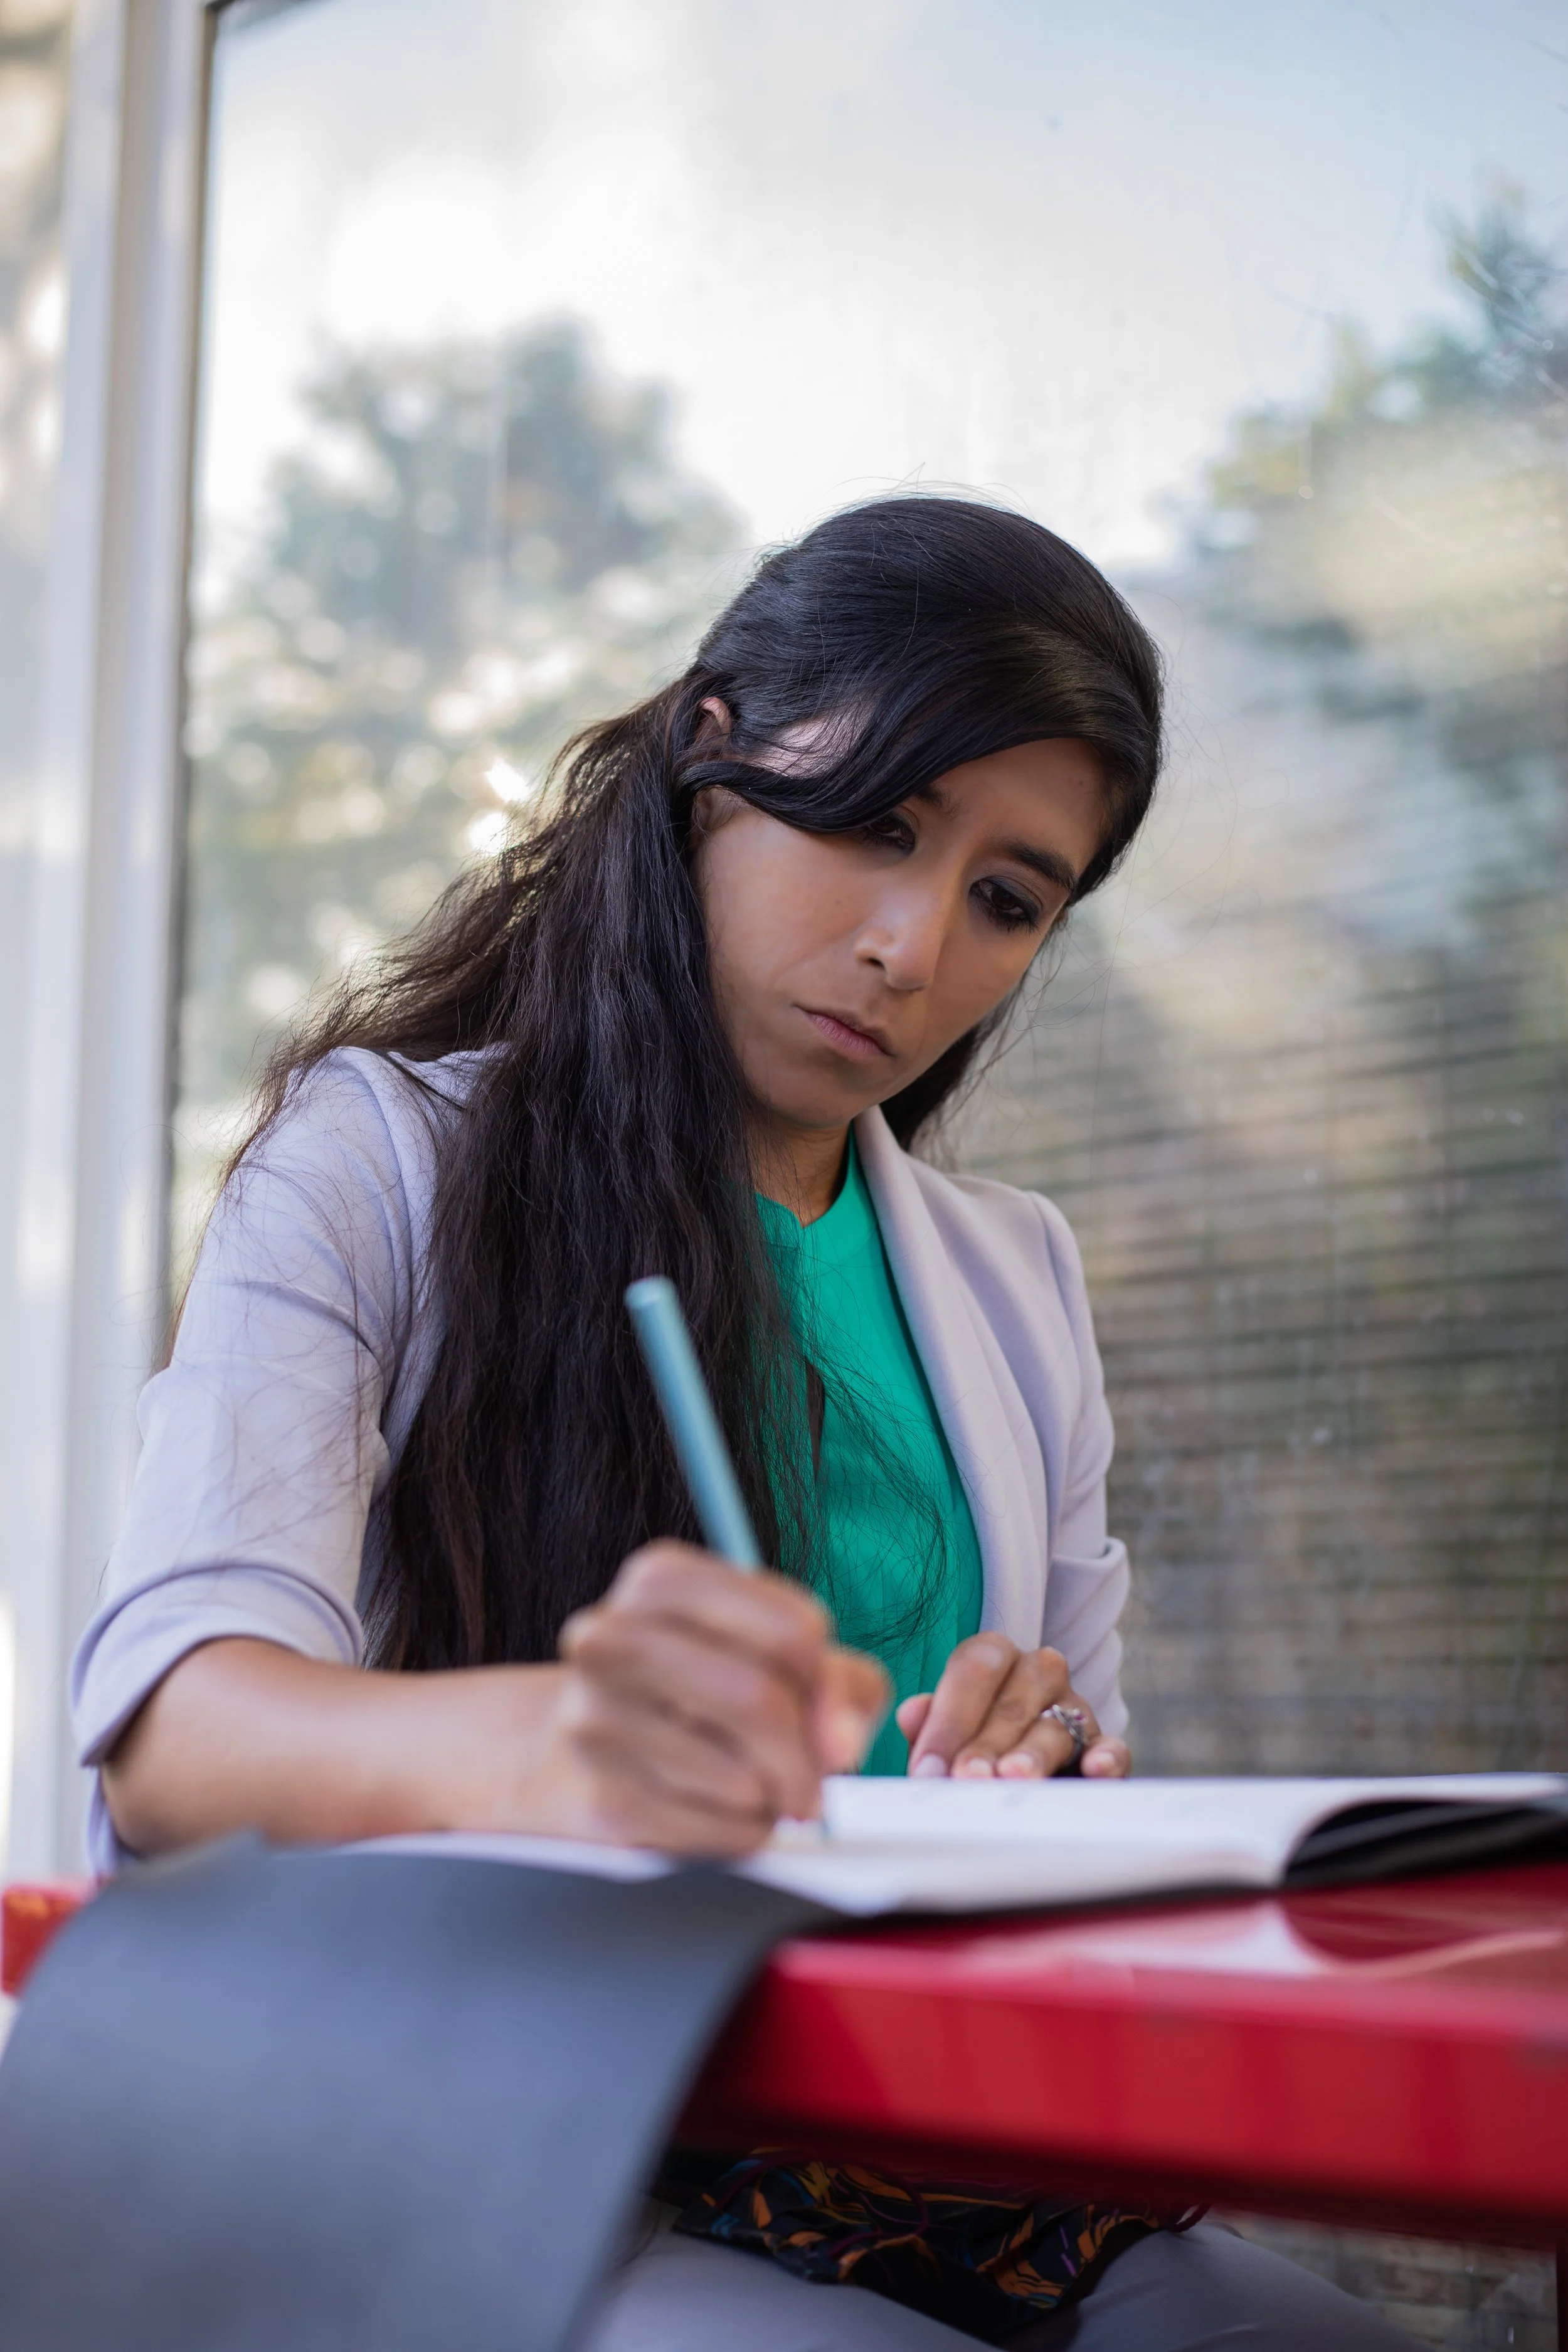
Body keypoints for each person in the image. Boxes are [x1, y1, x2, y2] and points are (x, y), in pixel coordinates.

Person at [72, 497, 1414, 2348]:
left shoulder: (1013, 1278)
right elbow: (173, 1727)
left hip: (929, 2141)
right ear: (712, 748)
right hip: (524, 2125)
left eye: (1003, 899)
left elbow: (1062, 1784)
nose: (909, 946)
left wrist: (1028, 1771)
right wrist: (560, 1738)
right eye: (877, 823)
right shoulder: (379, 1156)